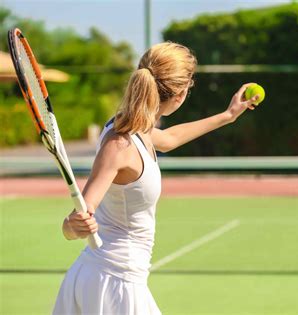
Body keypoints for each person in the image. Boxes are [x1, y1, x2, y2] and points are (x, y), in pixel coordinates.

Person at [52, 42, 259, 314]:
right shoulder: (120, 144)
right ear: (181, 93)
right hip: (114, 283)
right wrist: (72, 224)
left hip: (112, 277)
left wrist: (228, 116)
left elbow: (170, 138)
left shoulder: (134, 126)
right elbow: (74, 223)